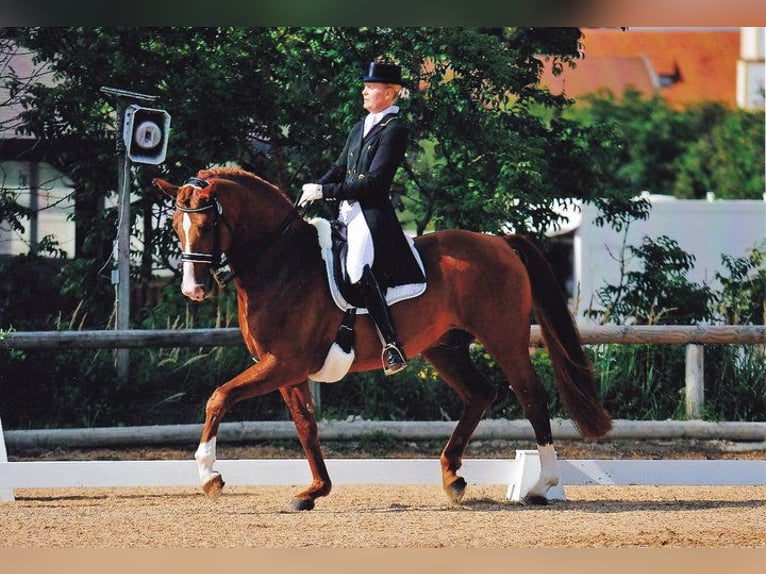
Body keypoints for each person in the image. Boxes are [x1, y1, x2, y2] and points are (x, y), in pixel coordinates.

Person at [299, 61, 425, 376]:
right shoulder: (361, 126)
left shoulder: (395, 130)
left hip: (370, 216)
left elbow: (374, 184)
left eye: (371, 87)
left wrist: (325, 191)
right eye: (366, 86)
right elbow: (340, 167)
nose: (364, 91)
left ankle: (391, 344)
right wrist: (311, 189)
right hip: (346, 212)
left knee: (356, 269)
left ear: (390, 93)